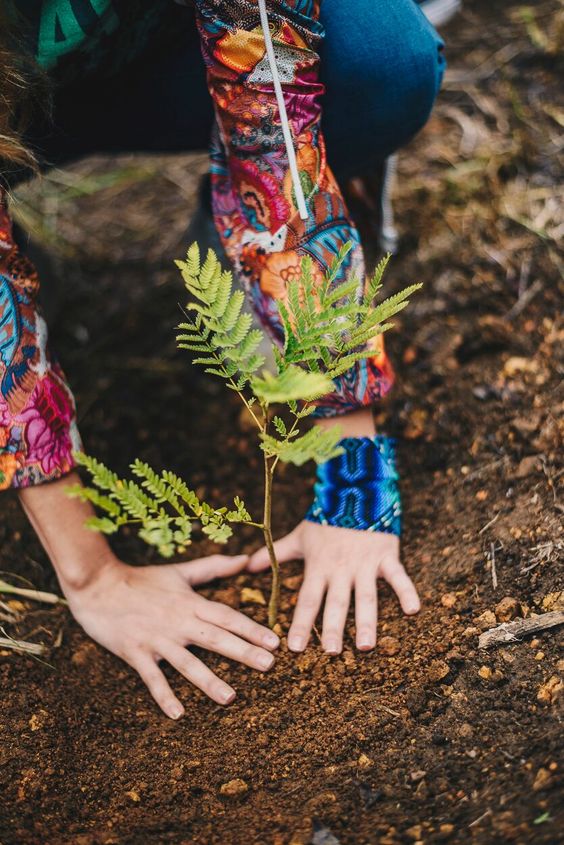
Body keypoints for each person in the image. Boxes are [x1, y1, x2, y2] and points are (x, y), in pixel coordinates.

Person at [0, 0, 445, 718]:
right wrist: (92, 577)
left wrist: (353, 474)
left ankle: (237, 248)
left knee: (379, 64)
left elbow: (278, 134)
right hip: (21, 104)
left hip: (150, 62)